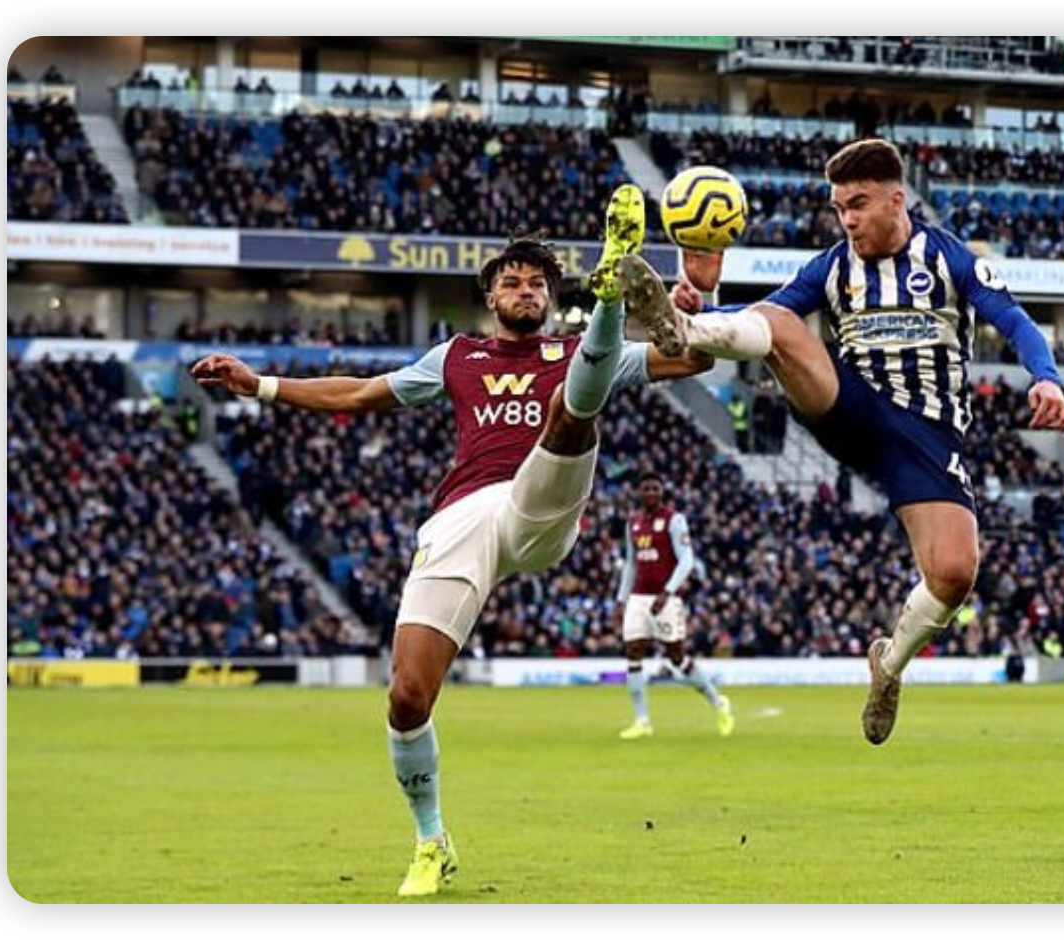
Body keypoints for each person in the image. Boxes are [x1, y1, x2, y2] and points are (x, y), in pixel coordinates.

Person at [191, 186, 711, 897]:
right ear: (491, 299)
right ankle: (431, 840)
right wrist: (262, 386)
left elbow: (691, 362)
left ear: (555, 300)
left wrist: (689, 314)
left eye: (537, 283)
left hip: (543, 500)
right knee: (406, 698)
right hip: (462, 517)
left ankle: (615, 288)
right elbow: (359, 393)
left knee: (569, 408)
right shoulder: (457, 358)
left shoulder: (575, 350)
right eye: (512, 282)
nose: (525, 290)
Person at [629, 139, 1064, 745]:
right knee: (782, 325)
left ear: (897, 198)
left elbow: (1015, 320)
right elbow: (766, 320)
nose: (849, 220)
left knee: (953, 573)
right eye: (840, 208)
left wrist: (1045, 378)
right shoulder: (833, 267)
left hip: (926, 434)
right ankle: (680, 326)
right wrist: (703, 309)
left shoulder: (950, 260)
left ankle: (888, 666)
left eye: (858, 204)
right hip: (851, 408)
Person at [614, 471, 733, 739]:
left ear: (662, 491)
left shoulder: (674, 520)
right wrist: (621, 600)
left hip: (666, 598)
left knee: (675, 656)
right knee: (633, 652)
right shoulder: (633, 523)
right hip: (638, 598)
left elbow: (687, 560)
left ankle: (718, 702)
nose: (651, 493)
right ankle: (642, 721)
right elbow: (631, 564)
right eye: (646, 488)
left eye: (655, 488)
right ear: (639, 492)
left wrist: (667, 592)